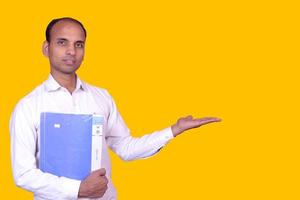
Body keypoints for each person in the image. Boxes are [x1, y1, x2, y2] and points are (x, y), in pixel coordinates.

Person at [9, 17, 221, 200]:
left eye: (79, 44)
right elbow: (23, 174)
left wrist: (174, 130)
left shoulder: (101, 97)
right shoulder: (28, 106)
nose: (71, 51)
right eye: (62, 42)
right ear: (46, 48)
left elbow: (126, 148)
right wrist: (79, 189)